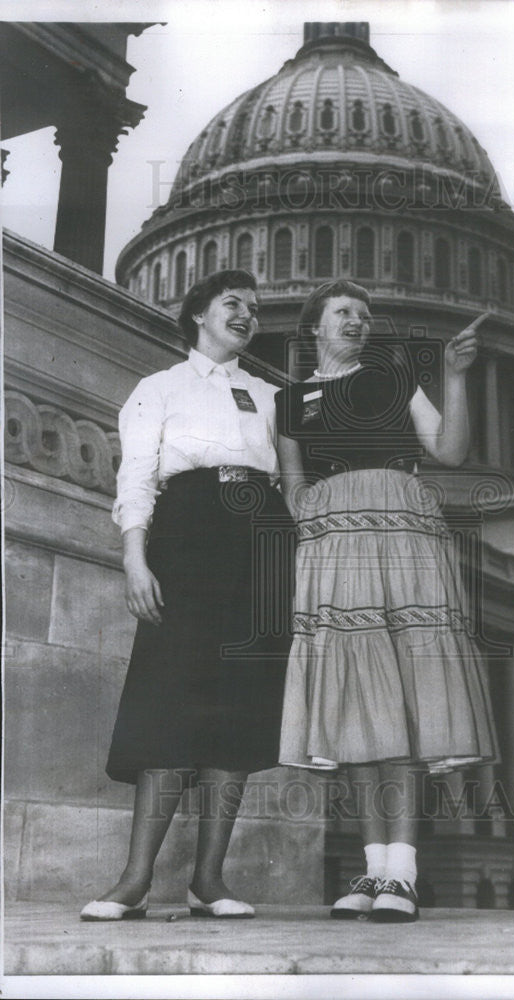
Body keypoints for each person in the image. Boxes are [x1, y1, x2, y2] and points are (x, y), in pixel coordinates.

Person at [275, 280, 499, 923]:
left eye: (365, 316)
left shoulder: (395, 382)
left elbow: (450, 451)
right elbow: (293, 488)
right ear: (314, 326)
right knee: (353, 704)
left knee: (401, 697)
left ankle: (404, 871)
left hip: (403, 537)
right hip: (334, 548)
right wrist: (320, 530)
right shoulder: (290, 402)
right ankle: (375, 871)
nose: (358, 322)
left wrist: (456, 378)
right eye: (344, 312)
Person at [81, 269, 293, 921]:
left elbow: (291, 477)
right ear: (198, 314)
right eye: (233, 304)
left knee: (240, 707)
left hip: (260, 538)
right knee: (168, 701)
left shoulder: (270, 394)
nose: (247, 315)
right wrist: (135, 557)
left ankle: (209, 879)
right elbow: (138, 475)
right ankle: (134, 879)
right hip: (188, 533)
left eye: (254, 309)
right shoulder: (159, 389)